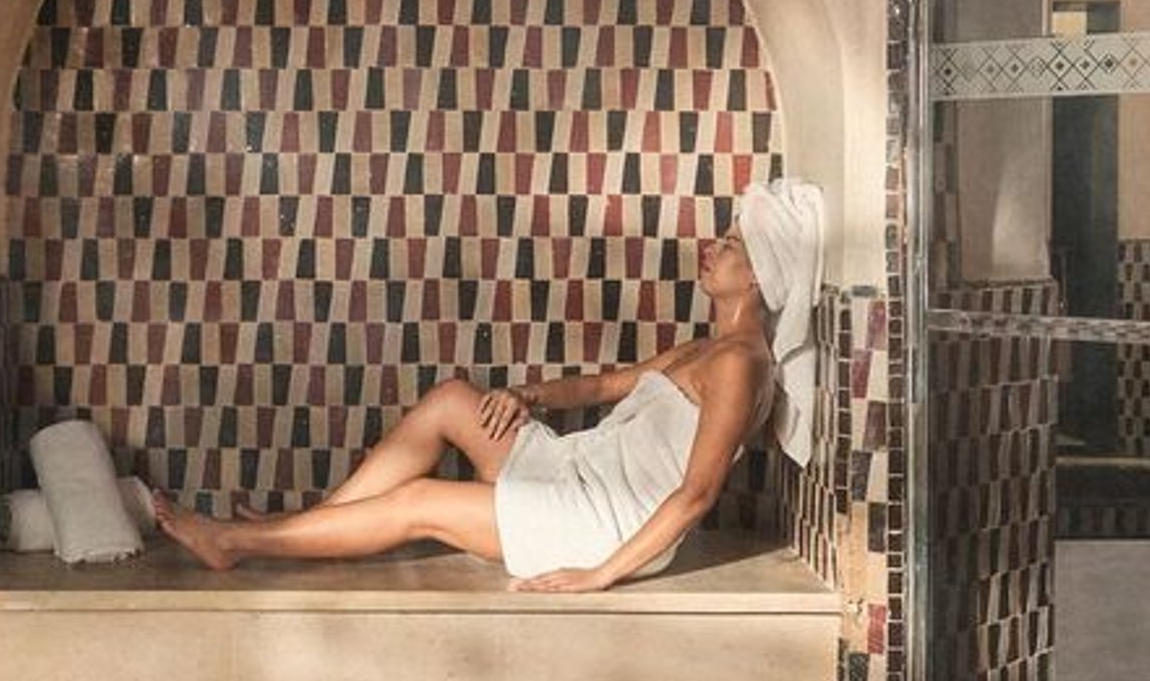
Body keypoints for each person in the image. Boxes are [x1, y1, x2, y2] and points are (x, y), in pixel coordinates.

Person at [154, 176, 824, 589]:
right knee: (453, 400)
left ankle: (235, 541)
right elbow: (601, 387)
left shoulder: (741, 363)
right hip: (578, 473)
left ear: (761, 273)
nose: (712, 247)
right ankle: (310, 526)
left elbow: (698, 492)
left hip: (600, 522)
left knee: (419, 501)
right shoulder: (710, 348)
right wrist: (526, 396)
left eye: (731, 245)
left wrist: (600, 573)